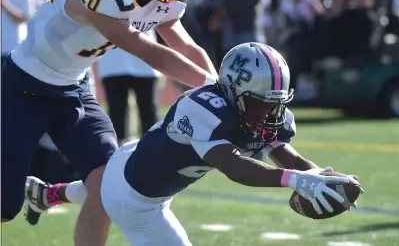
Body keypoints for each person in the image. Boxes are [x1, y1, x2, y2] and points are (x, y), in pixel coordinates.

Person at [2, 0, 217, 246]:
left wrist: (218, 88)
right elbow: (148, 51)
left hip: (72, 90)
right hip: (22, 88)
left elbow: (184, 44)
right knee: (5, 205)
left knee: (105, 185)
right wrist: (210, 88)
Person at [27, 43, 362, 246]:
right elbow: (233, 165)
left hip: (132, 163)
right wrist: (295, 180)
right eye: (261, 104)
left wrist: (315, 173)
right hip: (136, 199)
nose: (269, 114)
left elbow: (282, 152)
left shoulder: (257, 113)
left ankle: (51, 194)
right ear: (233, 91)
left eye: (276, 105)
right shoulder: (203, 107)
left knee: (107, 186)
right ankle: (53, 193)